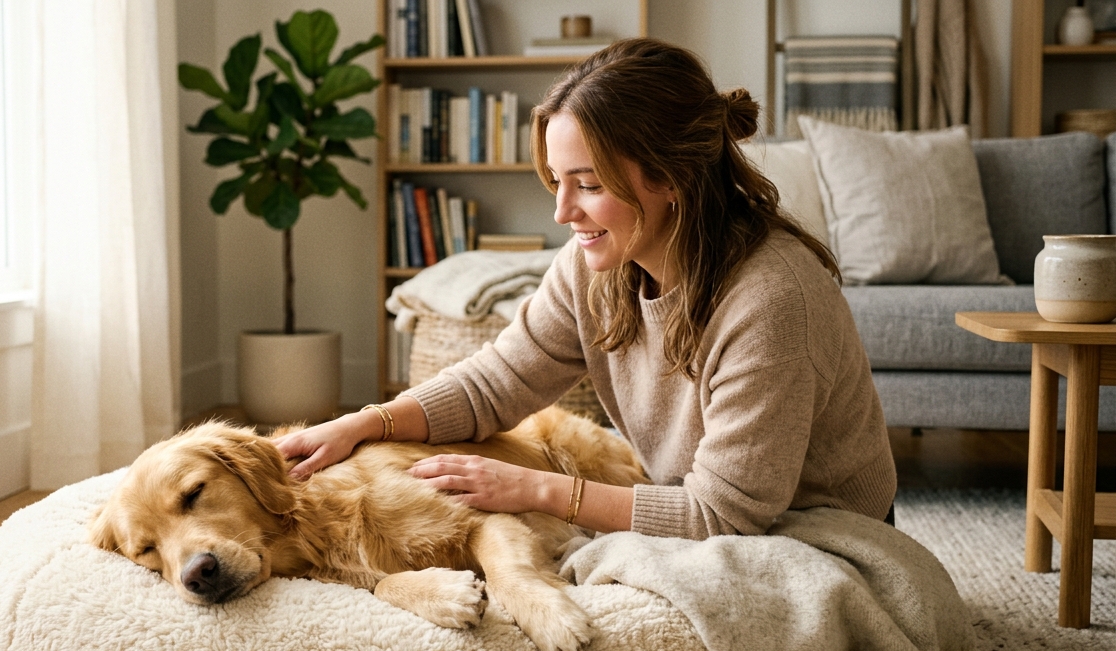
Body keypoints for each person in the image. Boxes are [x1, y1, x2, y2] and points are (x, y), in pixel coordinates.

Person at [274, 38, 896, 539]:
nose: (562, 212)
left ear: (673, 176)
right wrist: (365, 424)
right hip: (706, 511)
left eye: (589, 185)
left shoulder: (772, 300)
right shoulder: (593, 264)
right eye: (557, 181)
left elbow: (723, 516)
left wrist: (537, 490)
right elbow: (495, 384)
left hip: (816, 531)